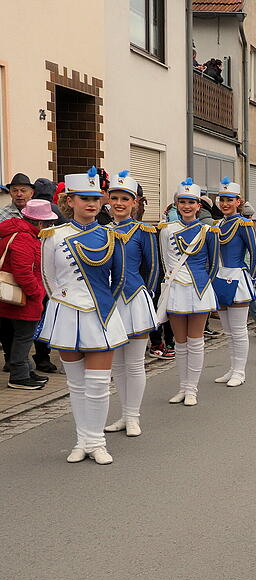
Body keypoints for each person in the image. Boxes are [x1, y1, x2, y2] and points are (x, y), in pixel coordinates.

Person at [37, 167, 127, 464]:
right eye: (83, 198)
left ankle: (97, 442)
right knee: (75, 385)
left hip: (100, 315)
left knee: (99, 384)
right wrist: (65, 305)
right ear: (69, 201)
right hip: (66, 314)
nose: (91, 204)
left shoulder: (111, 236)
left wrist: (102, 306)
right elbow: (48, 279)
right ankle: (82, 440)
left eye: (95, 198)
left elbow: (120, 279)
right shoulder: (53, 236)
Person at [102, 171, 160, 436]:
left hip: (135, 301)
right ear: (108, 200)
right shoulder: (101, 231)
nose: (119, 203)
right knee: (116, 364)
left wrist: (143, 295)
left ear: (134, 202)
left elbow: (153, 268)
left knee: (135, 362)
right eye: (114, 198)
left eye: (125, 198)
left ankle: (133, 416)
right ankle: (123, 415)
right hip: (110, 303)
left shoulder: (144, 231)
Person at [158, 178, 219, 406]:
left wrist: (203, 284)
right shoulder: (166, 231)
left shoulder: (208, 230)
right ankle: (182, 387)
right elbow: (165, 260)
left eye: (190, 202)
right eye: (181, 202)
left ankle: (192, 389)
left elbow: (213, 265)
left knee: (196, 341)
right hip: (175, 288)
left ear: (198, 206)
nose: (186, 206)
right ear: (176, 205)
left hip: (199, 288)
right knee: (180, 342)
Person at [0, 200, 56, 389]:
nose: (49, 227)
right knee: (23, 338)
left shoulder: (17, 232)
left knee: (19, 337)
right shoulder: (25, 238)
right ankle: (19, 376)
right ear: (39, 223)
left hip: (16, 296)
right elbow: (23, 272)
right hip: (24, 298)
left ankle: (24, 370)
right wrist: (38, 293)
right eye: (47, 223)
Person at [210, 177, 256, 387]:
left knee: (239, 330)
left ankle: (240, 371)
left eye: (230, 200)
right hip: (220, 278)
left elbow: (255, 253)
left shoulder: (244, 224)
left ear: (238, 201)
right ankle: (232, 368)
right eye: (222, 199)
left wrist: (251, 278)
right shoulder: (217, 224)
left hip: (238, 279)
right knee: (228, 330)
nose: (225, 204)